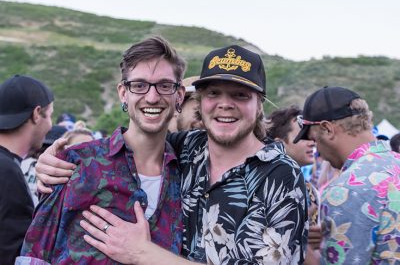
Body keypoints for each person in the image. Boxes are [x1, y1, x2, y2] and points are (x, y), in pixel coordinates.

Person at [36, 45, 308, 264]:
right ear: (198, 101)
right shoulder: (186, 149)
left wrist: (144, 253)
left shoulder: (282, 175)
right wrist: (52, 162)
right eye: (214, 93)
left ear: (259, 104)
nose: (225, 104)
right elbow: (137, 138)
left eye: (240, 95)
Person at [17, 36, 186, 264]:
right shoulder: (76, 162)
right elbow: (35, 253)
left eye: (165, 85)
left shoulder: (187, 174)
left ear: (179, 95)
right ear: (123, 93)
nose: (153, 97)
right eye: (139, 85)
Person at [294, 86, 400, 264]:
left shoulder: (345, 191)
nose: (317, 151)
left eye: (314, 140)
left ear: (327, 129)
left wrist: (303, 249)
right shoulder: (395, 163)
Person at [0, 75, 54, 265]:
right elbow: (12, 253)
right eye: (50, 115)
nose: (51, 125)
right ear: (36, 114)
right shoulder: (7, 171)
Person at [265, 106, 321, 264]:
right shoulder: (264, 186)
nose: (312, 143)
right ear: (279, 143)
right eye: (303, 137)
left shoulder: (309, 189)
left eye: (311, 136)